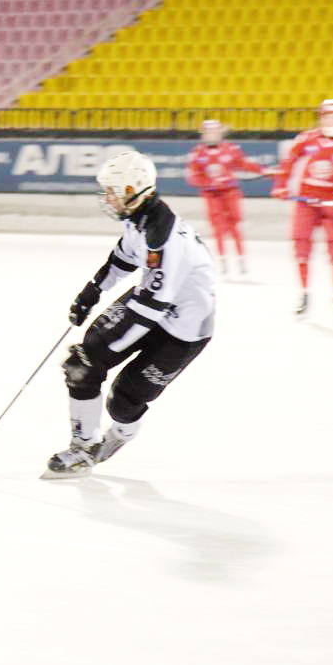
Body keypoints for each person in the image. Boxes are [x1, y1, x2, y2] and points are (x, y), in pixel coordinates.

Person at [44, 151, 215, 478]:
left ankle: (121, 434)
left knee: (123, 402)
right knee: (84, 364)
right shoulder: (139, 220)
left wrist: (106, 350)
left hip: (184, 329)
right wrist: (93, 289)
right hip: (153, 302)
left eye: (112, 190)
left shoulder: (164, 237)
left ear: (134, 190)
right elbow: (123, 259)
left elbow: (153, 307)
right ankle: (82, 449)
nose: (106, 197)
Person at [270, 99, 333, 316]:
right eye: (328, 116)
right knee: (301, 247)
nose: (332, 121)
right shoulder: (306, 139)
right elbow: (287, 164)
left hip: (332, 205)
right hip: (307, 202)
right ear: (322, 118)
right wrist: (281, 186)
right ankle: (304, 293)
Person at [185, 119, 271, 275]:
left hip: (230, 192)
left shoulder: (230, 148)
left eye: (214, 132)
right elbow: (193, 176)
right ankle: (223, 259)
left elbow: (244, 164)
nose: (211, 135)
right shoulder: (197, 153)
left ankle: (240, 258)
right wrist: (208, 182)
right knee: (218, 227)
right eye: (208, 133)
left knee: (234, 225)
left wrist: (264, 171)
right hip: (211, 194)